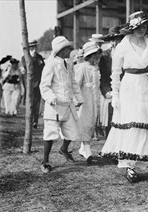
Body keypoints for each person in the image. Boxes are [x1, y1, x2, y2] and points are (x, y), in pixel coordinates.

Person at [100, 11, 148, 183]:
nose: (142, 30)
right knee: (130, 124)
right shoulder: (123, 46)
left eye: (144, 27)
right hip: (129, 86)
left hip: (145, 86)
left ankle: (134, 160)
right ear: (131, 29)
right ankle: (128, 165)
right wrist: (116, 94)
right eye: (138, 27)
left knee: (141, 124)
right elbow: (115, 73)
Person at [39, 36, 84, 173]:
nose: (71, 51)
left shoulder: (69, 63)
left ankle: (63, 149)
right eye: (68, 49)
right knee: (51, 133)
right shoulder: (51, 63)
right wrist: (51, 98)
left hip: (68, 104)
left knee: (72, 132)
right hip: (55, 106)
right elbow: (44, 86)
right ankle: (45, 161)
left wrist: (79, 97)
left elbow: (73, 83)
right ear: (61, 50)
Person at [75, 42, 102, 164]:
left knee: (91, 123)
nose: (96, 57)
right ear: (88, 56)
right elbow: (76, 85)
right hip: (84, 98)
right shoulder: (82, 67)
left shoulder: (96, 68)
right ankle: (86, 149)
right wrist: (77, 99)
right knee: (84, 123)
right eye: (93, 55)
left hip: (93, 98)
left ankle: (83, 147)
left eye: (97, 55)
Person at [99, 25, 125, 137]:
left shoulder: (127, 54)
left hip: (126, 89)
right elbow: (103, 77)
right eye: (112, 40)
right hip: (111, 91)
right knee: (111, 117)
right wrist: (107, 92)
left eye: (117, 40)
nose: (114, 43)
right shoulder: (105, 56)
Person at [21, 40, 45, 128]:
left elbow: (43, 67)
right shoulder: (25, 57)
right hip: (29, 83)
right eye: (31, 47)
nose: (33, 49)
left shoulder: (40, 57)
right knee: (30, 103)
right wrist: (32, 57)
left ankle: (35, 121)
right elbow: (27, 66)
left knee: (37, 103)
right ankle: (29, 120)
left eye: (35, 47)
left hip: (38, 83)